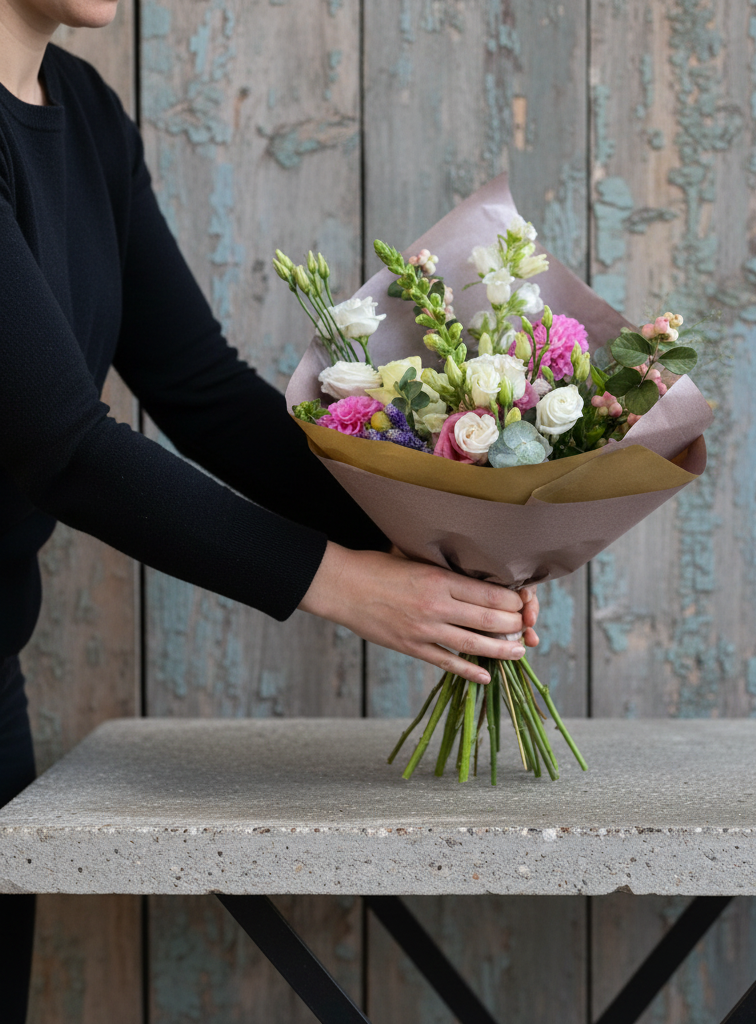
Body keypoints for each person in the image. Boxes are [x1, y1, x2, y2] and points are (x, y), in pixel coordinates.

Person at [0, 0, 540, 1017]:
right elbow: (65, 449)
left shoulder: (84, 113)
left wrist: (430, 536)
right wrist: (347, 586)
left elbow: (197, 383)